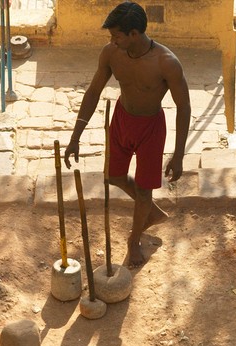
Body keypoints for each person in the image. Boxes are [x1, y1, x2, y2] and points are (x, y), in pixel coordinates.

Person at [64, 1, 191, 267]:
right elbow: (93, 92)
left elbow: (183, 108)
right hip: (121, 120)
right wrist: (75, 136)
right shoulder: (111, 54)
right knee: (114, 177)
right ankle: (151, 211)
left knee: (144, 191)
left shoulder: (167, 63)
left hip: (150, 129)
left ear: (134, 34)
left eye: (116, 35)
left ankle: (134, 240)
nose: (112, 40)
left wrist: (178, 155)